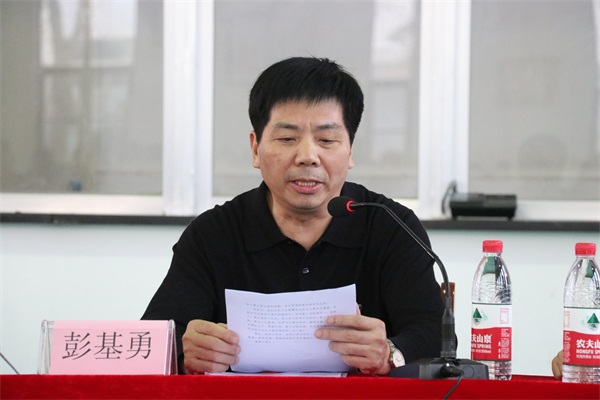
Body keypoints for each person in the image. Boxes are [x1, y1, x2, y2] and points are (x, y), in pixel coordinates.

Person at [142, 56, 444, 375]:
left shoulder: (391, 226)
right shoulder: (212, 233)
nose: (307, 157)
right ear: (255, 149)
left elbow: (434, 335)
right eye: (287, 139)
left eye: (326, 140)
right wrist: (184, 355)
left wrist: (390, 353)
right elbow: (156, 340)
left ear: (350, 151)